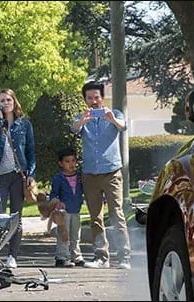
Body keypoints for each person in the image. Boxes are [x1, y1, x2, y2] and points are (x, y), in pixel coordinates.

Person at [71, 81, 131, 269]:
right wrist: (83, 121)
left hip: (112, 171)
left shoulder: (114, 114)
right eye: (90, 98)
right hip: (90, 174)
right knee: (95, 216)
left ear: (102, 97)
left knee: (117, 214)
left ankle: (124, 257)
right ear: (85, 100)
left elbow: (123, 126)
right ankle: (101, 257)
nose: (94, 101)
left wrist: (111, 119)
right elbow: (74, 128)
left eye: (97, 97)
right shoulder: (82, 117)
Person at [0, 88, 35, 269]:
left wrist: (31, 175)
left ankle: (12, 256)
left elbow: (30, 151)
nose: (5, 103)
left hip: (18, 175)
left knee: (16, 216)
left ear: (14, 101)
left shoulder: (24, 124)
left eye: (8, 100)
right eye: (2, 101)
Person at [47, 147, 85, 267]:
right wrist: (56, 202)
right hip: (64, 212)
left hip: (76, 210)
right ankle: (61, 256)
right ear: (61, 163)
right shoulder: (59, 178)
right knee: (64, 234)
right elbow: (54, 193)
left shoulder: (80, 177)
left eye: (73, 161)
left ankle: (76, 255)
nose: (71, 164)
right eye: (67, 162)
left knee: (76, 235)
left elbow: (85, 190)